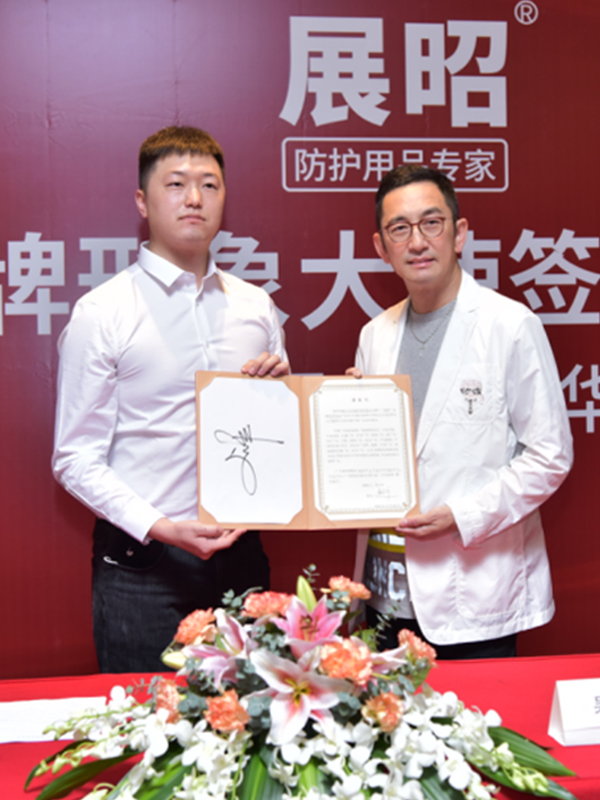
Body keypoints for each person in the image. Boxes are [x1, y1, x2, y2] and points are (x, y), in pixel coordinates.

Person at [53, 126, 289, 672]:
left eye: (209, 184)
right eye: (176, 184)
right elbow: (74, 457)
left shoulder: (255, 307)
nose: (194, 198)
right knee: (147, 718)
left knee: (254, 717)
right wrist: (162, 526)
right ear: (143, 201)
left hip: (242, 559)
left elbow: (276, 438)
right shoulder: (103, 312)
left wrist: (285, 398)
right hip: (143, 566)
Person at [348, 166, 573, 659]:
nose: (417, 242)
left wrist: (462, 516)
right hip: (386, 591)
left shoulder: (509, 325)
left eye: (432, 223)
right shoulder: (375, 335)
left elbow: (550, 455)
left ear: (459, 233)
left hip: (473, 588)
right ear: (381, 247)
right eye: (399, 229)